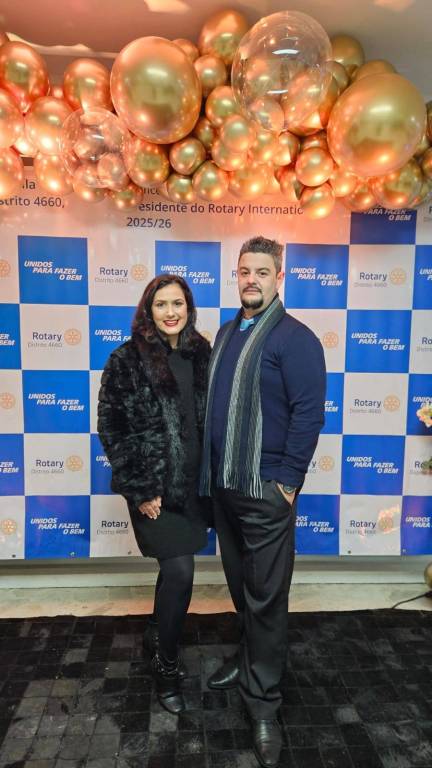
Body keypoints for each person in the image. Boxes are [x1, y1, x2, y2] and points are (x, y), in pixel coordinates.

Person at [199, 236, 326, 768]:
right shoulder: (228, 332)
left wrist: (287, 484)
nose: (251, 280)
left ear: (279, 278)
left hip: (266, 491)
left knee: (267, 599)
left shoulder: (296, 339)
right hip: (224, 488)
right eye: (244, 271)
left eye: (262, 272)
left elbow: (309, 414)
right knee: (241, 587)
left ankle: (264, 703)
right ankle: (248, 659)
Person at [98, 274, 210, 715]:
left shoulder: (202, 354)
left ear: (188, 308)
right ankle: (166, 665)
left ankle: (155, 630)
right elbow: (113, 428)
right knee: (181, 571)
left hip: (193, 488)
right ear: (148, 310)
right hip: (153, 490)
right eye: (161, 304)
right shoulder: (125, 360)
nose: (170, 312)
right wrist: (141, 487)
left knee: (173, 570)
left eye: (177, 303)